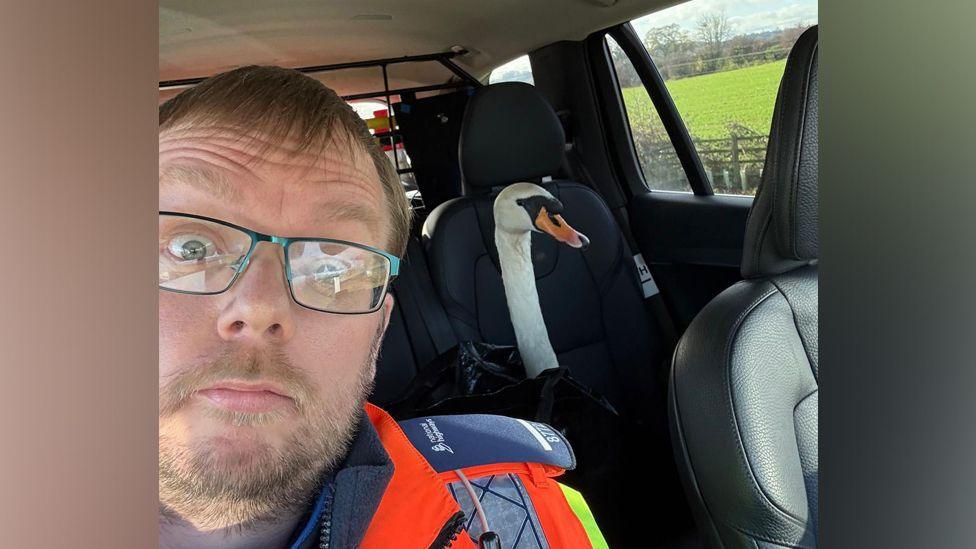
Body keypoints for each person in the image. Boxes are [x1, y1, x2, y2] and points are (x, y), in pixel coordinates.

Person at [158, 65, 603, 549]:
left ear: (379, 331)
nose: (260, 307)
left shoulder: (529, 516)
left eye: (332, 269)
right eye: (190, 249)